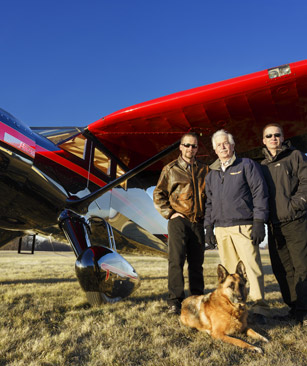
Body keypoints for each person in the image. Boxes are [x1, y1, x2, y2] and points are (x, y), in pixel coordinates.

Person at [204, 129, 270, 324]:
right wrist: (209, 227)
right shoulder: (211, 174)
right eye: (219, 145)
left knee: (251, 267)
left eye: (226, 143)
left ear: (233, 146)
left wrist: (259, 221)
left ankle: (259, 308)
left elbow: (260, 193)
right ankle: (236, 308)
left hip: (244, 226)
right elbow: (209, 203)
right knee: (231, 274)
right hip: (222, 229)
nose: (223, 147)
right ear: (214, 150)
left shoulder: (247, 165)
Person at [153, 132, 209, 315]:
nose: (190, 149)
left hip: (198, 222)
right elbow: (158, 193)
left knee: (196, 262)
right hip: (179, 221)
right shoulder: (170, 169)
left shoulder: (204, 170)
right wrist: (170, 213)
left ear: (197, 149)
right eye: (187, 145)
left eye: (193, 146)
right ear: (180, 146)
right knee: (176, 261)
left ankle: (197, 298)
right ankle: (175, 301)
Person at [261, 123, 307, 326]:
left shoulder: (295, 156)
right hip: (274, 225)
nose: (273, 138)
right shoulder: (261, 166)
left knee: (302, 267)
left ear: (282, 136)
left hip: (296, 221)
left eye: (276, 135)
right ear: (263, 140)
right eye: (268, 135)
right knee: (282, 269)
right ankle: (294, 308)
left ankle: (305, 311)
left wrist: (295, 205)